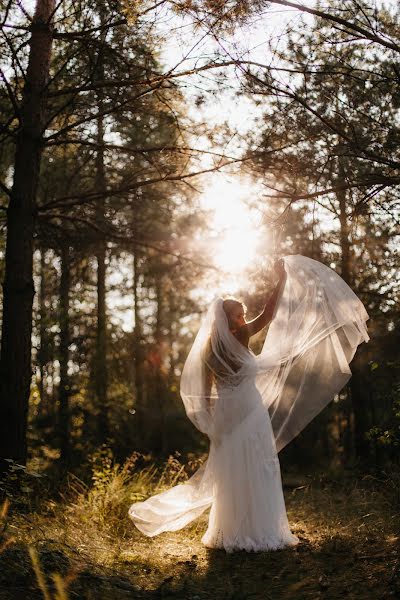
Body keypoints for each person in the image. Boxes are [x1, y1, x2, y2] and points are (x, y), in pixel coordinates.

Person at [129, 255, 369, 553]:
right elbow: (269, 315)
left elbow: (204, 392)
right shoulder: (239, 335)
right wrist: (281, 279)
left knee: (231, 469)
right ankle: (260, 529)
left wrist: (210, 422)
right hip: (248, 408)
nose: (243, 319)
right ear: (228, 318)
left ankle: (228, 532)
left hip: (226, 412)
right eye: (239, 314)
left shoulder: (208, 350)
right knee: (258, 463)